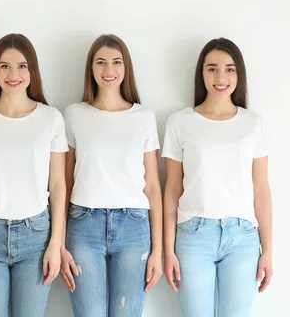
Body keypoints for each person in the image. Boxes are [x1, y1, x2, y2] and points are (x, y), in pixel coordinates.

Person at [162, 37, 273, 317]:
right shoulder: (180, 122)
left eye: (229, 69)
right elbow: (171, 190)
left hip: (243, 238)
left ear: (239, 74)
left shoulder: (253, 123)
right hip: (192, 236)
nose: (220, 77)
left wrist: (268, 250)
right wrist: (167, 249)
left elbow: (261, 189)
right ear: (201, 73)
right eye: (212, 68)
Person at [0, 33, 67, 317]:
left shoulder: (51, 119)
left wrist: (56, 243)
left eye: (21, 65)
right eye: (5, 66)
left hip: (36, 237)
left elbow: (57, 186)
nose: (13, 74)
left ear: (32, 71)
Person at [60, 34, 163, 316]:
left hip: (134, 226)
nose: (109, 70)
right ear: (91, 69)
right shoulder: (74, 114)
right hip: (83, 225)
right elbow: (65, 182)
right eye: (101, 62)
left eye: (116, 62)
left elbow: (153, 186)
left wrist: (158, 251)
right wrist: (58, 243)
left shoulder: (143, 118)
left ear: (125, 68)